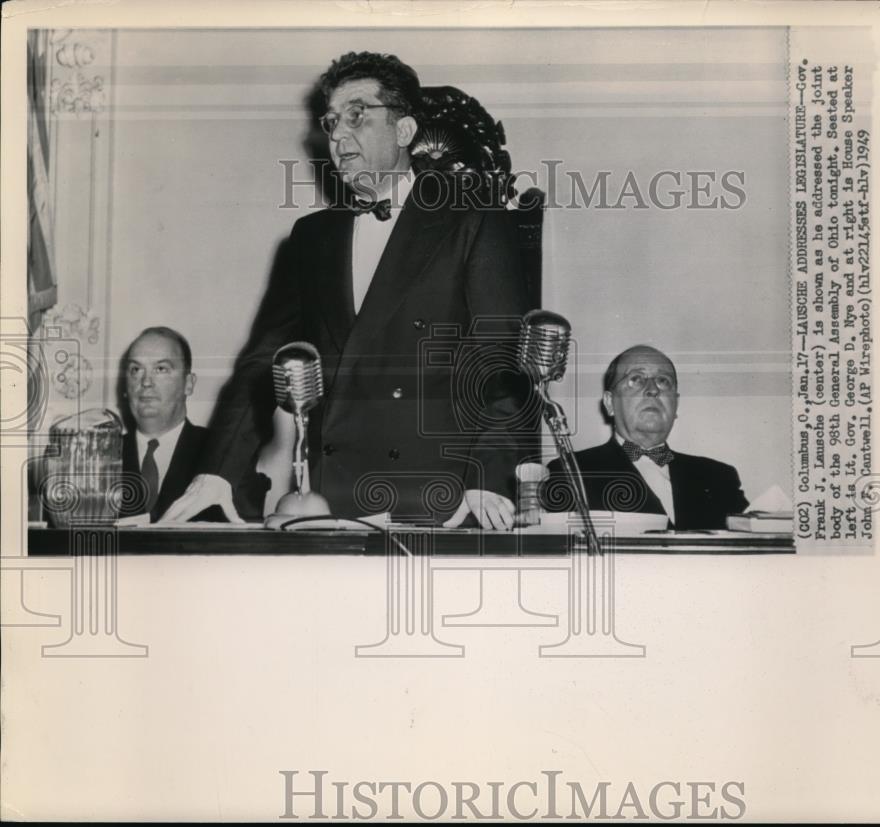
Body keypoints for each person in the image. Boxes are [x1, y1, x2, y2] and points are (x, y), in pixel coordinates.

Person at [162, 51, 529, 529]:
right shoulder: (311, 237)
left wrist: (489, 474)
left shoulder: (474, 219)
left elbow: (503, 361)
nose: (336, 135)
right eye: (332, 120)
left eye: (357, 115)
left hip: (444, 500)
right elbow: (262, 362)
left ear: (403, 131)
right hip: (331, 500)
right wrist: (218, 471)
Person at [544, 345, 749, 530]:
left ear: (675, 404)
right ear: (609, 403)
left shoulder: (720, 477)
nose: (652, 390)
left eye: (663, 381)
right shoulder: (568, 472)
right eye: (636, 379)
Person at [119, 327, 221, 522]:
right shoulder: (99, 457)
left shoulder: (220, 452)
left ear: (188, 384)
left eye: (161, 369)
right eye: (136, 370)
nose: (146, 382)